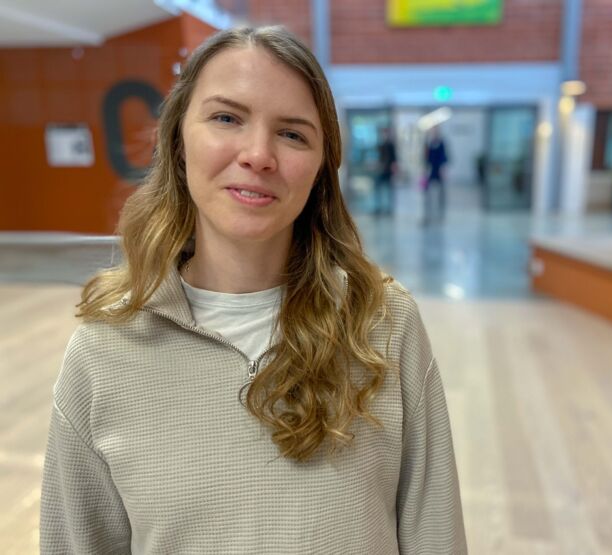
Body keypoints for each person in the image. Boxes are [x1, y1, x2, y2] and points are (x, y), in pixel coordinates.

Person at [40, 26, 467, 554]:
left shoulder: (383, 322)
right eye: (226, 118)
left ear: (319, 168)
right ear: (177, 141)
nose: (258, 154)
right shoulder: (103, 352)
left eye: (293, 134)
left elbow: (435, 534)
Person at [422, 126, 448, 224]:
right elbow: (425, 158)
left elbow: (444, 157)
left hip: (438, 171)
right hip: (430, 171)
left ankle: (440, 215)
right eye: (432, 131)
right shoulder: (428, 144)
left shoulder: (441, 144)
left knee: (440, 194)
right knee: (427, 194)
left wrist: (443, 169)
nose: (434, 133)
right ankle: (427, 215)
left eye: (435, 131)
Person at [374, 127, 397, 216]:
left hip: (388, 170)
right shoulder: (381, 145)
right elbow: (380, 158)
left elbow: (394, 158)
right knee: (379, 188)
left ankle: (388, 208)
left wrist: (393, 167)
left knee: (388, 189)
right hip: (382, 170)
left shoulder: (390, 145)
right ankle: (379, 207)